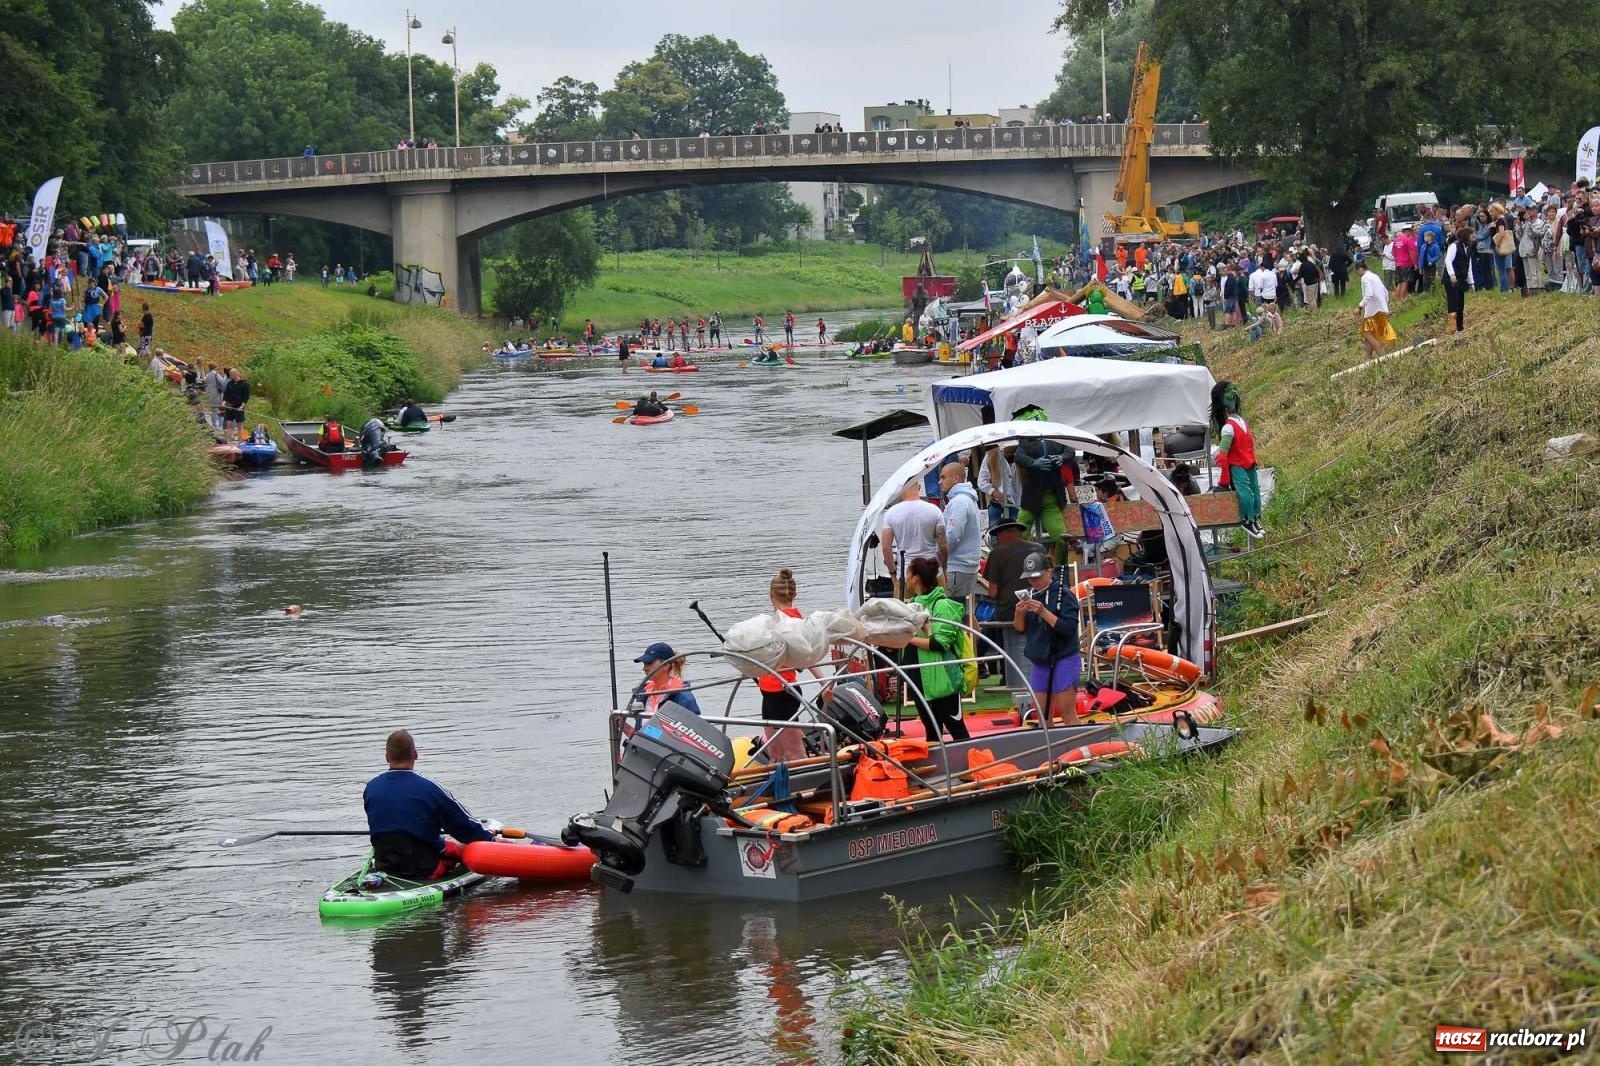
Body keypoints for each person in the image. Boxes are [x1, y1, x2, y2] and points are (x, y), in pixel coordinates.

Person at [363, 729, 496, 880]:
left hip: (385, 864)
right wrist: (491, 840)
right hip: (425, 867)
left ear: (387, 757)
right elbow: (462, 826)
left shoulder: (371, 788)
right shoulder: (430, 788)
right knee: (462, 847)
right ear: (415, 754)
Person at [756, 568, 825, 762]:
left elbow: (807, 655)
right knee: (775, 754)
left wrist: (824, 682)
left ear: (770, 595)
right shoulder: (773, 621)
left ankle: (808, 785)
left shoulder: (793, 620)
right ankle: (778, 788)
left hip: (783, 691)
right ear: (794, 594)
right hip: (769, 691)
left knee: (795, 753)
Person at [902, 557, 972, 742]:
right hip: (919, 680)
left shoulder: (942, 606)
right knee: (932, 732)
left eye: (908, 573)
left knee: (957, 730)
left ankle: (972, 765)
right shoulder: (911, 606)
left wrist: (909, 639)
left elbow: (940, 643)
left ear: (915, 578)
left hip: (943, 680)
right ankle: (940, 769)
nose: (905, 578)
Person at [1013, 552, 1081, 726]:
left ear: (1049, 572)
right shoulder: (1030, 594)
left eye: (1037, 577)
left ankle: (1079, 749)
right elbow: (1020, 629)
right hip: (1040, 659)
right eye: (1030, 578)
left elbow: (1069, 628)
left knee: (1067, 713)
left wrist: (1044, 612)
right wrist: (1018, 613)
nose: (1033, 582)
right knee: (1042, 716)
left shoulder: (1064, 594)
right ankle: (1049, 749)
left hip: (1064, 656)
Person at [1010, 404, 1075, 565]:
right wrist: (1033, 463)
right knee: (1020, 536)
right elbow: (1018, 457)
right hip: (1031, 497)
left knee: (1061, 538)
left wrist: (1062, 458)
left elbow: (1070, 451)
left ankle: (1060, 568)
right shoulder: (1026, 442)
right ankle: (1017, 567)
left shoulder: (1054, 437)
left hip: (1051, 498)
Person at [979, 519, 1039, 690]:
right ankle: (982, 657)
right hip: (1039, 606)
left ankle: (985, 661)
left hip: (1010, 610)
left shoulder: (998, 554)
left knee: (993, 623)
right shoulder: (1038, 549)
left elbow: (993, 592)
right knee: (993, 622)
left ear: (1001, 534)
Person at [1212, 380, 1264, 539]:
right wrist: (1223, 463)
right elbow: (1223, 450)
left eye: (1234, 388)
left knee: (1255, 491)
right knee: (1245, 494)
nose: (1234, 392)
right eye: (1229, 390)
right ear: (1222, 398)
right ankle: (1247, 520)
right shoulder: (1228, 427)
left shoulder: (1241, 421)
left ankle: (1255, 517)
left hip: (1249, 463)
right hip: (1238, 466)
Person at [880, 479, 945, 594]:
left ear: (900, 491)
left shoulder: (891, 513)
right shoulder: (935, 511)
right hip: (933, 572)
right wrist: (943, 568)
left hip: (906, 574)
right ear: (919, 487)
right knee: (938, 608)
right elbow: (943, 546)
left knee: (906, 611)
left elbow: (886, 548)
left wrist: (893, 574)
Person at [938, 461, 982, 602]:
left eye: (943, 477)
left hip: (957, 566)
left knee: (952, 610)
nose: (939, 482)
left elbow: (952, 536)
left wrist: (938, 556)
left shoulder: (959, 502)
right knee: (965, 612)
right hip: (967, 566)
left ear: (956, 478)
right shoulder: (968, 499)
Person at [633, 642, 702, 716]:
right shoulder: (643, 694)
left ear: (666, 665)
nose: (644, 669)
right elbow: (641, 728)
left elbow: (697, 726)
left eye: (649, 663)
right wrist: (624, 725)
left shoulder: (684, 698)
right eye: (644, 664)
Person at [1354, 256, 1394, 360]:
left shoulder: (1365, 278)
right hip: (1380, 308)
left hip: (1373, 311)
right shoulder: (1374, 275)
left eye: (1356, 272)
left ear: (1360, 269)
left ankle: (1383, 356)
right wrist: (1384, 304)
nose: (1357, 275)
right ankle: (1367, 358)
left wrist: (1359, 306)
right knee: (1372, 334)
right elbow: (1385, 292)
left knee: (1367, 334)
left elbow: (1369, 294)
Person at [1443, 225, 1471, 333]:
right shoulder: (1454, 246)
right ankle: (1452, 328)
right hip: (1451, 279)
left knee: (1461, 303)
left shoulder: (1467, 247)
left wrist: (1471, 281)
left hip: (1461, 279)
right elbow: (1448, 260)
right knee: (1453, 303)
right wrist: (1452, 275)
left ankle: (1460, 327)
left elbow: (1469, 265)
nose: (1474, 238)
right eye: (1472, 236)